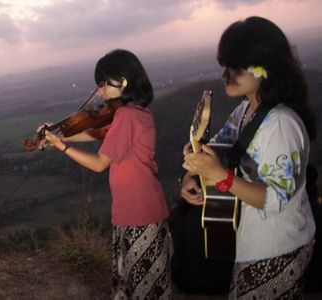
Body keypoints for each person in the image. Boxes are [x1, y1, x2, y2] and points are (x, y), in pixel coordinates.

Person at [181, 16, 317, 299]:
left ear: (264, 69)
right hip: (251, 242)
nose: (226, 74)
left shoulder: (281, 124)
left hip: (278, 249)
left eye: (236, 67)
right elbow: (217, 150)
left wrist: (220, 176)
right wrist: (193, 172)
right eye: (226, 66)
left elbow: (276, 199)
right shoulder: (244, 112)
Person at [38, 49, 172, 299]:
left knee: (144, 288)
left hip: (141, 212)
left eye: (103, 84)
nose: (100, 91)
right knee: (134, 284)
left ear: (122, 82)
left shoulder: (128, 115)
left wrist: (61, 146)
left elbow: (100, 163)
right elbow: (95, 133)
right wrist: (58, 134)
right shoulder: (130, 111)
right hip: (131, 211)